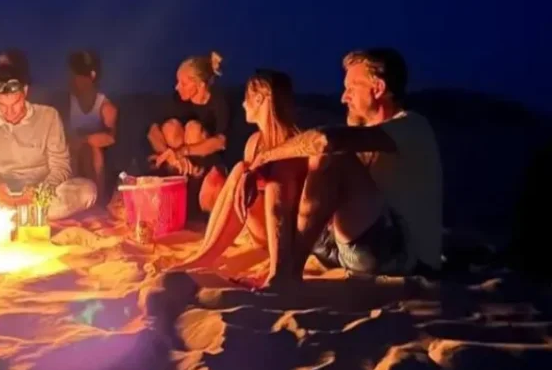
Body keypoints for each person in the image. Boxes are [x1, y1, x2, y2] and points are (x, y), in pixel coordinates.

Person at [246, 47, 442, 285]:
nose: (343, 97)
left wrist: (267, 156)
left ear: (378, 89)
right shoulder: (367, 134)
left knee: (331, 156)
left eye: (351, 89)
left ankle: (288, 274)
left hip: (398, 254)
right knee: (289, 163)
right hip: (340, 246)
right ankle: (279, 268)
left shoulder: (411, 126)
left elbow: (325, 141)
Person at [181, 71, 306, 282]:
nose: (243, 104)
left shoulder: (295, 142)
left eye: (247, 98)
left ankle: (205, 257)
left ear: (259, 99)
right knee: (239, 169)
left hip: (286, 235)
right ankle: (205, 252)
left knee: (246, 171)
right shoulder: (255, 142)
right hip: (260, 231)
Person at [0, 51, 97, 220]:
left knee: (87, 191)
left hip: (40, 193)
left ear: (25, 92)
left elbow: (61, 166)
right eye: (2, 105)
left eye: (15, 104)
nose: (9, 112)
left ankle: (13, 215)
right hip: (1, 194)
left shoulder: (48, 116)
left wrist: (41, 190)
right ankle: (25, 214)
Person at [148, 52, 229, 213]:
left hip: (206, 165)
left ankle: (195, 196)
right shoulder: (177, 99)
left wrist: (182, 152)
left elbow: (221, 142)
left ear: (200, 85)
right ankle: (176, 190)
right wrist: (170, 155)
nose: (177, 87)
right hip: (180, 165)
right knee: (170, 127)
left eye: (183, 83)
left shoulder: (219, 102)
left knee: (193, 129)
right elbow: (152, 131)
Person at [66, 50, 117, 198]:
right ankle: (70, 196)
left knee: (93, 149)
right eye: (72, 75)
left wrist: (84, 139)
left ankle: (98, 200)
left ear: (91, 76)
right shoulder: (67, 102)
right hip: (72, 154)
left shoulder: (106, 107)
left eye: (78, 76)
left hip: (94, 159)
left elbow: (110, 138)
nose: (73, 80)